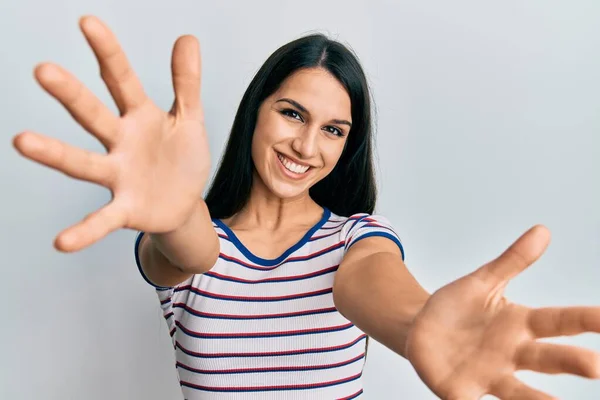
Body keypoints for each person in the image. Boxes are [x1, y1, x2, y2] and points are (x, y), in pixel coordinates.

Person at [12, 15, 599, 400]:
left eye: (334, 130)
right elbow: (193, 247)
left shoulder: (356, 240)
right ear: (255, 111)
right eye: (292, 113)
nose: (306, 146)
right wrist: (173, 211)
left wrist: (421, 324)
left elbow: (371, 285)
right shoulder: (182, 241)